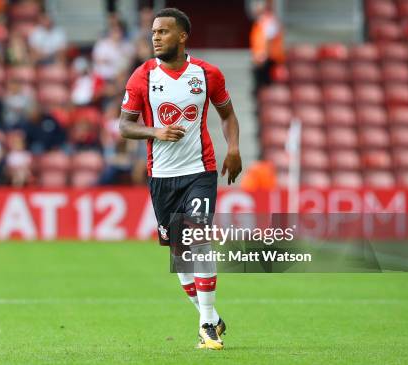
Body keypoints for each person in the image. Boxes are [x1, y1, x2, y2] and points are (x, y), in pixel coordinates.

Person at [119, 8, 242, 350]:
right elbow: (125, 126)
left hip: (199, 171)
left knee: (198, 239)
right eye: (154, 32)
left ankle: (206, 325)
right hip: (162, 176)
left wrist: (233, 148)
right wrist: (155, 130)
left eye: (163, 31)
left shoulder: (207, 74)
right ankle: (212, 317)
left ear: (183, 36)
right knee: (180, 255)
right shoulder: (142, 76)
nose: (155, 36)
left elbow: (228, 114)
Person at [249, 0, 284, 95]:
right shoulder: (261, 21)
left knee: (265, 86)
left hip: (268, 59)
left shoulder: (268, 20)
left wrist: (264, 55)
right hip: (262, 59)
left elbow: (269, 39)